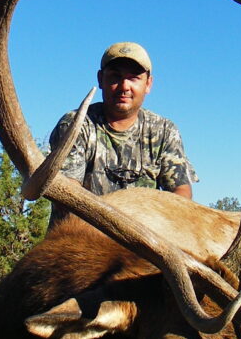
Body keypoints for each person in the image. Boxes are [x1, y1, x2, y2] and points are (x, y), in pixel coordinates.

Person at [48, 42, 198, 222]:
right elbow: (67, 192)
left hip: (144, 240)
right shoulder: (76, 124)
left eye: (134, 78)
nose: (124, 86)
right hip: (81, 237)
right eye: (115, 77)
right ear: (100, 79)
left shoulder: (165, 130)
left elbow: (181, 192)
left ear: (148, 84)